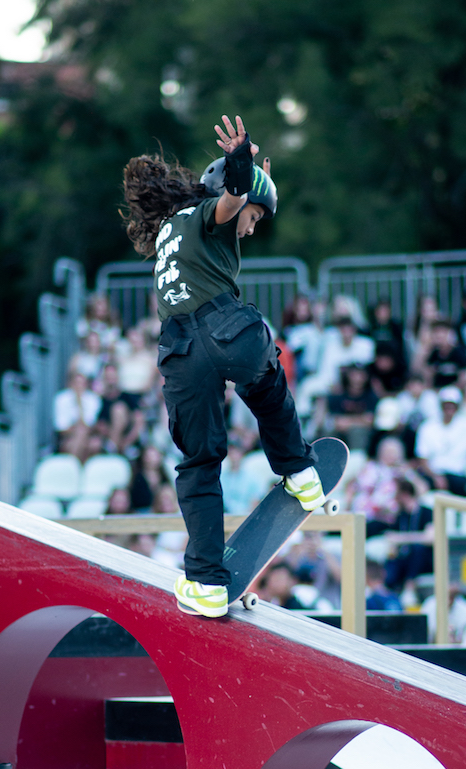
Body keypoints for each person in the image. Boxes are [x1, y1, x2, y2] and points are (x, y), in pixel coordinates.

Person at [121, 114, 324, 618]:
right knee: (267, 385)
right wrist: (242, 173)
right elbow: (230, 202)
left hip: (180, 356)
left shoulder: (168, 235)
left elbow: (235, 203)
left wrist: (253, 181)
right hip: (225, 330)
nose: (250, 230)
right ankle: (300, 472)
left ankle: (207, 584)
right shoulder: (205, 213)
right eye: (256, 219)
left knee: (198, 463)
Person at [414, 390, 466, 495]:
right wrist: (435, 477)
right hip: (434, 475)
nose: (449, 410)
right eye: (446, 406)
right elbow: (422, 458)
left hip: (458, 476)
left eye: (452, 406)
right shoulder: (428, 426)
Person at [384, 479, 434, 590]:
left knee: (417, 549)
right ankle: (386, 590)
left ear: (404, 494)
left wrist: (403, 538)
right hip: (405, 557)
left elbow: (430, 538)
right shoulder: (401, 516)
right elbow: (392, 538)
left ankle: (409, 587)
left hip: (424, 559)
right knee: (392, 558)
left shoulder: (427, 512)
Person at [95, 363, 144, 454]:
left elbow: (139, 422)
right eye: (108, 377)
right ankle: (113, 446)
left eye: (112, 377)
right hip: (107, 437)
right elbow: (100, 425)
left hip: (128, 437)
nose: (111, 380)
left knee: (118, 409)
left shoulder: (128, 397)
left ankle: (112, 447)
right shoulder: (100, 400)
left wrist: (127, 441)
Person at [54, 370, 102, 460]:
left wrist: (79, 404)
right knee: (79, 434)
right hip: (68, 437)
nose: (79, 387)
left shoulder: (93, 399)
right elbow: (61, 428)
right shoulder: (61, 398)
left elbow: (90, 426)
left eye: (82, 384)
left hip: (88, 436)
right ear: (70, 384)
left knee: (90, 440)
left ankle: (72, 465)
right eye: (76, 383)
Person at [220, 437, 265, 514]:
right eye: (231, 453)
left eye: (236, 453)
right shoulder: (221, 476)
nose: (233, 456)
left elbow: (256, 500)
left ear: (241, 454)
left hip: (245, 515)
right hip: (225, 515)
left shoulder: (251, 477)